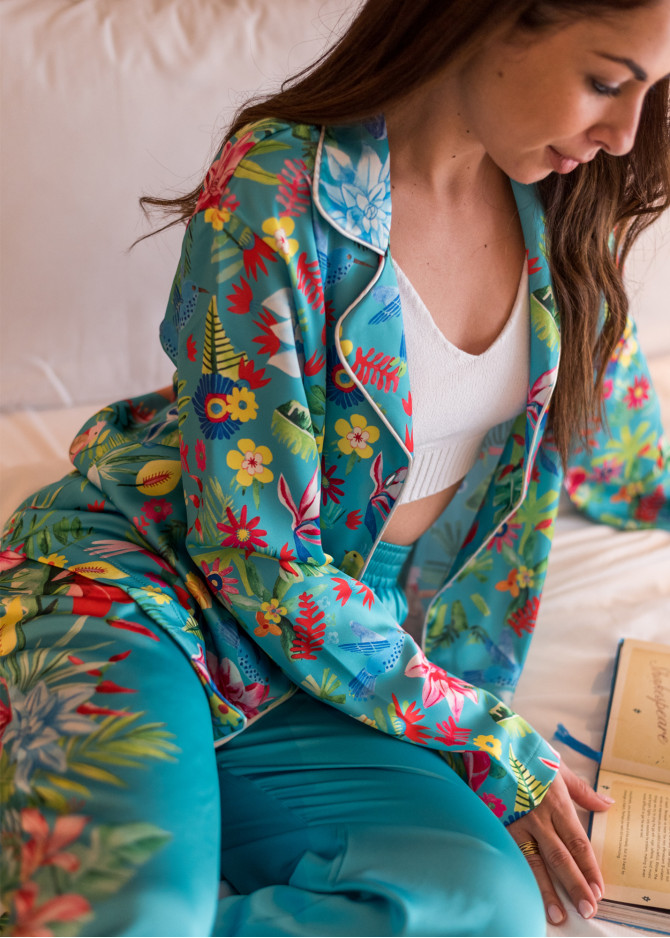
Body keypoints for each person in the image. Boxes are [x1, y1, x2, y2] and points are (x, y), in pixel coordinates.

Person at [1, 0, 669, 935]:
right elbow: (254, 555)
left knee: (482, 910)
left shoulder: (566, 207)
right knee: (134, 911)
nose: (625, 133)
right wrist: (486, 738)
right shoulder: (276, 188)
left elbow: (625, 449)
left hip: (346, 659)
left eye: (651, 90)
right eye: (604, 82)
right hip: (148, 595)